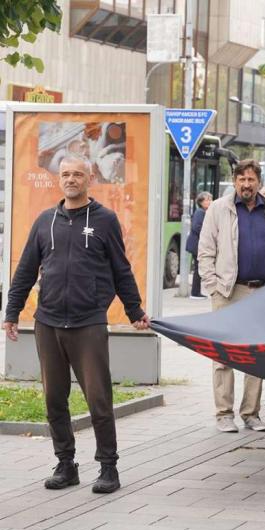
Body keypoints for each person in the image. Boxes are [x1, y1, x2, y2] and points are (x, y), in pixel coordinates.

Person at [3, 155, 151, 494]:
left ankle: (108, 468)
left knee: (99, 398)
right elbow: (26, 271)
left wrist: (134, 310)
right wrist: (12, 313)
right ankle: (66, 464)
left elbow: (120, 270)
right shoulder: (44, 221)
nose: (71, 179)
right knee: (55, 398)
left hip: (88, 323)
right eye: (66, 174)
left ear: (90, 179)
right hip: (48, 322)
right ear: (60, 179)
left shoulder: (105, 220)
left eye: (78, 174)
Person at [198, 159, 265, 433]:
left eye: (251, 179)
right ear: (235, 181)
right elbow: (205, 251)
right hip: (228, 292)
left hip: (263, 292)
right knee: (223, 353)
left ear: (258, 181)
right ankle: (224, 413)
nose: (246, 184)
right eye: (241, 179)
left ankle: (251, 413)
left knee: (256, 355)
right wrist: (213, 285)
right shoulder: (219, 209)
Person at [186, 192, 212, 299]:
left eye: (211, 199)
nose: (210, 201)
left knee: (198, 268)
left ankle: (196, 292)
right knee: (198, 269)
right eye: (207, 199)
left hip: (197, 244)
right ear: (201, 202)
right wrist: (208, 234)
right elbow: (197, 227)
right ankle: (195, 293)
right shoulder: (200, 212)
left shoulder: (203, 212)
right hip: (196, 245)